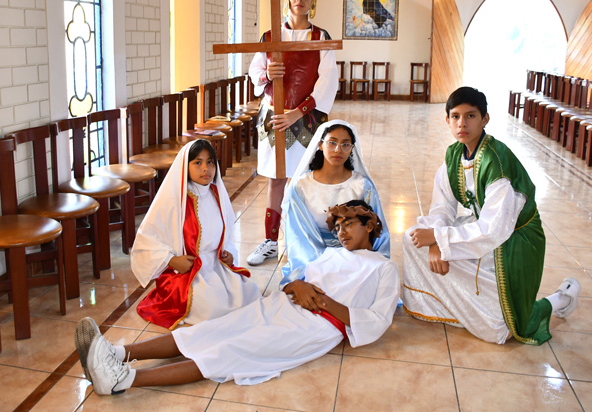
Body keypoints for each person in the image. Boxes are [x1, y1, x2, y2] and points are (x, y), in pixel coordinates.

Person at [75, 199, 400, 395]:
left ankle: (123, 380)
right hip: (284, 305)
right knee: (211, 330)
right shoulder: (331, 254)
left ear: (370, 225)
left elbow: (377, 320)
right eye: (338, 226)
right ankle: (118, 352)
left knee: (230, 350)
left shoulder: (383, 268)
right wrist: (296, 287)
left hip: (317, 326)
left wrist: (323, 302)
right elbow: (295, 285)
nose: (341, 232)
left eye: (349, 224)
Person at [402, 86, 581, 345]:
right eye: (455, 116)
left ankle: (560, 299)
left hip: (514, 239)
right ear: (447, 120)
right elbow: (442, 207)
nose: (462, 123)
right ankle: (449, 308)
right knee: (411, 239)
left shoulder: (497, 161)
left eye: (470, 116)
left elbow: (494, 230)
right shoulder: (455, 155)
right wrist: (434, 240)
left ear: (485, 119)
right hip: (484, 229)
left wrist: (439, 238)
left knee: (498, 329)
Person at [246, 0, 339, 266]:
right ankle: (271, 242)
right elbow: (255, 71)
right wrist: (268, 74)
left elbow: (328, 82)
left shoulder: (321, 37)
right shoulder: (271, 35)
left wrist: (298, 112)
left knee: (307, 180)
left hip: (306, 119)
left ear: (313, 0)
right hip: (274, 117)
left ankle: (307, 241)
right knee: (276, 179)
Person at [129, 140, 260, 330]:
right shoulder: (174, 199)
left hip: (216, 265)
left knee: (250, 292)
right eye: (198, 162)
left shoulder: (217, 194)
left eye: (210, 162)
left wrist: (229, 253)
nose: (205, 168)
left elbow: (227, 234)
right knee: (213, 307)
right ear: (185, 166)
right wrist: (172, 260)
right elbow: (146, 240)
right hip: (186, 272)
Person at [280, 120, 390, 296]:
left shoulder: (362, 186)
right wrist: (328, 265)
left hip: (356, 255)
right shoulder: (301, 187)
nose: (338, 150)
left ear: (352, 149)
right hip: (315, 258)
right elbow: (300, 238)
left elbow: (378, 231)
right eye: (332, 142)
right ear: (320, 145)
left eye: (345, 144)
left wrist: (375, 263)